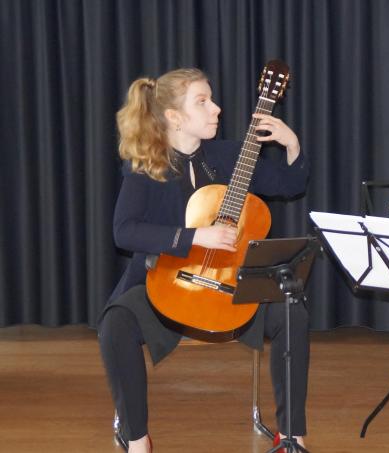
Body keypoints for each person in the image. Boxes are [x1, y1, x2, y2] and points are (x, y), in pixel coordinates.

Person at [98, 68, 310, 453]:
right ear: (173, 117)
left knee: (291, 311)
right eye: (202, 101)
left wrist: (292, 144)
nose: (217, 108)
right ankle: (137, 439)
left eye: (211, 99)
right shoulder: (146, 165)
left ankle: (292, 438)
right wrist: (195, 237)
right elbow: (124, 231)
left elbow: (291, 184)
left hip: (228, 289)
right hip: (166, 285)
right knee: (115, 325)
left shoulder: (229, 155)